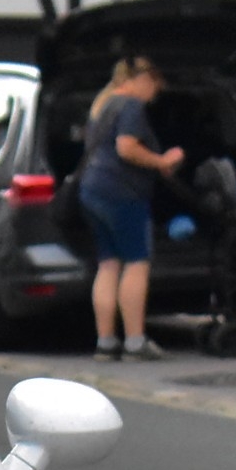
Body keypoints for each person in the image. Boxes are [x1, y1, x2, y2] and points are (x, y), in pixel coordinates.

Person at [79, 55, 181, 360]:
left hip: (91, 190)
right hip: (122, 193)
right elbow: (126, 147)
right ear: (141, 80)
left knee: (108, 264)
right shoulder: (131, 106)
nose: (155, 92)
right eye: (154, 85)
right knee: (137, 262)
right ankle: (136, 341)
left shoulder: (102, 107)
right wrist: (162, 161)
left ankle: (106, 341)